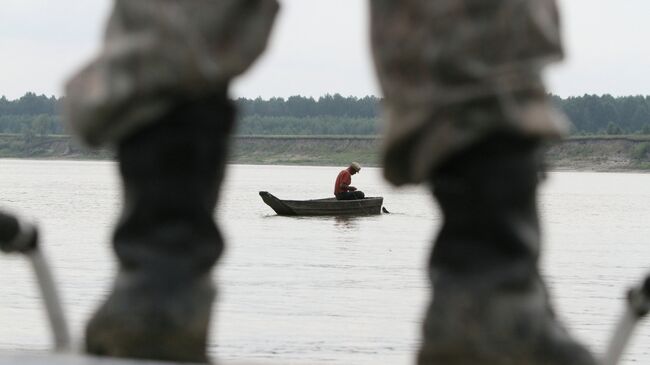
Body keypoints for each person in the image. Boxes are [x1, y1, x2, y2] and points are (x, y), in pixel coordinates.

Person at [64, 0, 596, 364]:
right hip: (360, 195)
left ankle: (158, 287)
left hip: (335, 198)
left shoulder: (346, 178)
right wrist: (351, 198)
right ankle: (490, 299)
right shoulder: (344, 178)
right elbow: (344, 192)